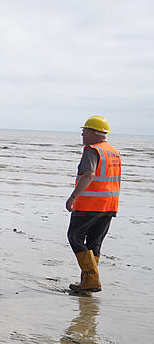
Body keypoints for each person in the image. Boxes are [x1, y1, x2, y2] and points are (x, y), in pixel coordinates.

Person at [66, 115, 121, 294]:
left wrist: (73, 197)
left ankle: (91, 279)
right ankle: (87, 281)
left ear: (92, 132)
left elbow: (89, 175)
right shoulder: (113, 152)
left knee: (74, 237)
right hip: (109, 205)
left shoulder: (92, 150)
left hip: (90, 204)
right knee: (94, 243)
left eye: (84, 131)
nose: (82, 135)